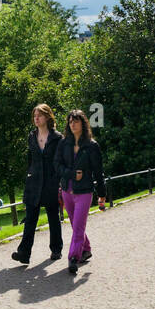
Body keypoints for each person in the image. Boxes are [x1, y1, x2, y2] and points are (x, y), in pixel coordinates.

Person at [12, 104, 65, 265]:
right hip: (34, 182)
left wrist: (60, 182)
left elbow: (61, 161)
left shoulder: (57, 138)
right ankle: (24, 253)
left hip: (51, 182)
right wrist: (29, 175)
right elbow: (31, 160)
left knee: (53, 217)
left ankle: (56, 250)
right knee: (30, 219)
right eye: (35, 116)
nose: (36, 118)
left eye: (39, 115)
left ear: (48, 117)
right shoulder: (31, 136)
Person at [57, 109, 106, 276]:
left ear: (83, 123)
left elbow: (98, 172)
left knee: (78, 227)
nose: (73, 124)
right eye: (70, 121)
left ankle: (73, 258)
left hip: (84, 192)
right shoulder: (63, 144)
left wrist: (102, 194)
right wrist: (71, 174)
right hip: (67, 190)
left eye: (76, 121)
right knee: (75, 225)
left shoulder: (92, 146)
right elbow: (57, 166)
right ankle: (86, 249)